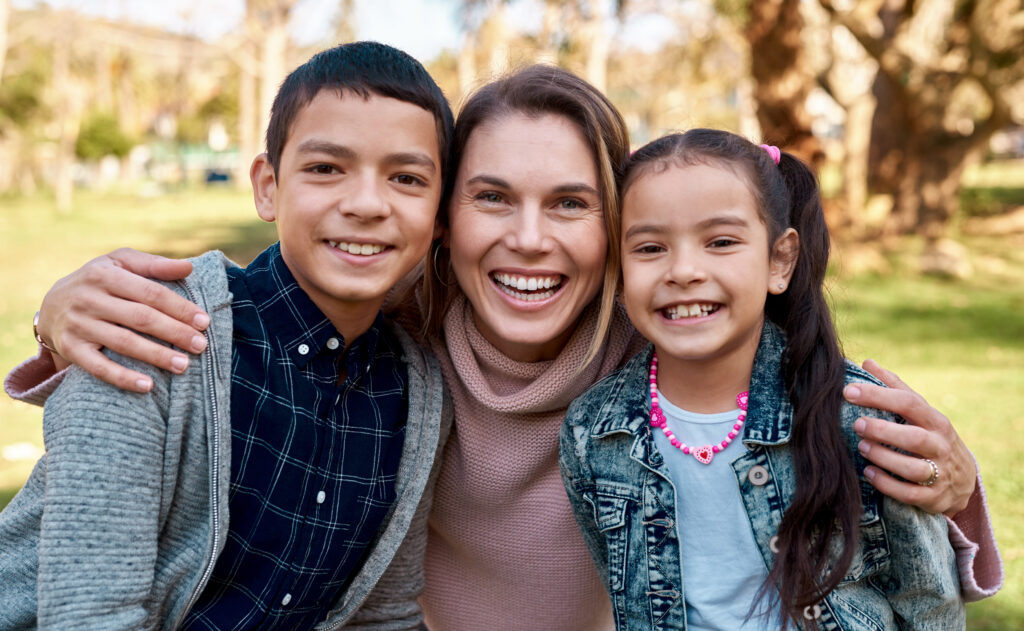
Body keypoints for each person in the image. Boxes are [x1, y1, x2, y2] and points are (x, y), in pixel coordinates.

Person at [8, 67, 1001, 630]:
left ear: (618, 225)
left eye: (570, 203)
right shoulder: (394, 333)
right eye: (491, 197)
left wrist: (954, 487)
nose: (528, 240)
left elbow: (820, 429)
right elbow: (254, 310)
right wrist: (61, 310)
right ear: (443, 216)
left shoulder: (663, 356)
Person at [0, 42, 453, 630]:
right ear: (267, 186)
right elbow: (90, 617)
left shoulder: (416, 397)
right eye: (325, 168)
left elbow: (382, 618)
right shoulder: (150, 327)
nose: (367, 203)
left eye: (407, 178)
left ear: (441, 214)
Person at [559, 130, 977, 629]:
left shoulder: (858, 419)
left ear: (779, 260)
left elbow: (928, 601)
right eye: (650, 248)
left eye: (721, 242)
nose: (684, 270)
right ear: (620, 276)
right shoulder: (593, 432)